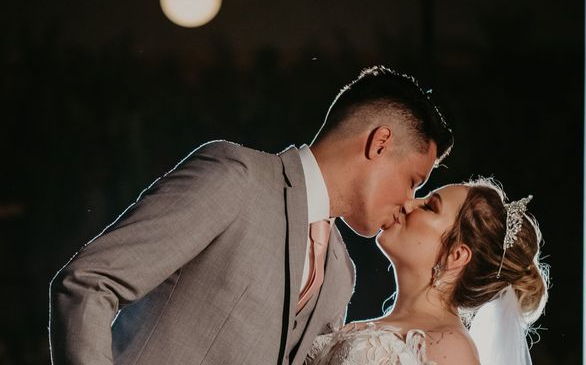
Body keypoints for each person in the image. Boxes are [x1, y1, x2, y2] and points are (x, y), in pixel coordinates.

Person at [49, 66, 453, 365]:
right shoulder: (236, 178)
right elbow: (88, 282)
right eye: (413, 180)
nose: (408, 201)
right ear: (380, 143)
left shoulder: (341, 273)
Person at [305, 178, 549, 365]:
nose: (409, 204)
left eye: (430, 206)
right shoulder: (362, 326)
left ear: (456, 255)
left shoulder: (451, 350)